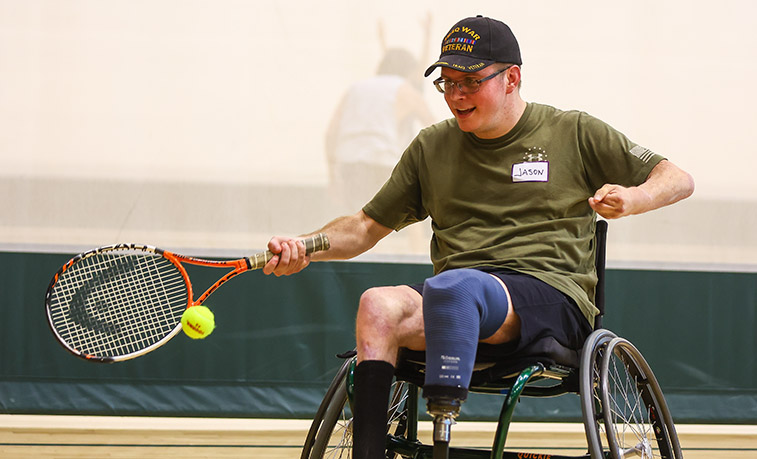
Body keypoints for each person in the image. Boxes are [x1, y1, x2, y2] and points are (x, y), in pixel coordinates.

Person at [263, 15, 694, 458]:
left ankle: (442, 440)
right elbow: (363, 227)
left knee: (460, 287)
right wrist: (305, 246)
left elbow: (676, 178)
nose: (455, 95)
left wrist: (633, 197)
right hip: (458, 296)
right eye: (446, 83)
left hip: (549, 296)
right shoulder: (431, 146)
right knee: (378, 306)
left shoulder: (573, 132)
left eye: (469, 81)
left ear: (512, 78)